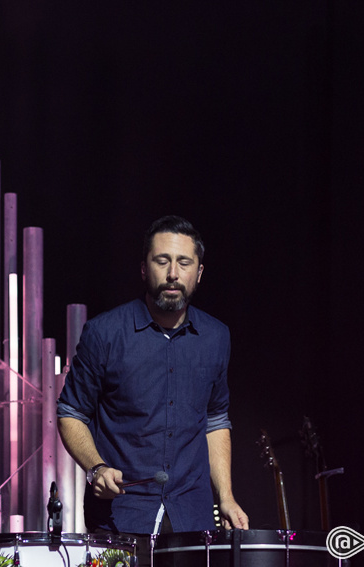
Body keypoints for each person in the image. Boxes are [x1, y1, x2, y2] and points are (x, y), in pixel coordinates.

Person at [57, 215, 248, 545]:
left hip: (192, 517)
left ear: (198, 273)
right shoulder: (104, 333)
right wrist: (96, 469)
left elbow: (215, 421)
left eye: (184, 262)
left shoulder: (216, 337)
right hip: (122, 516)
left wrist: (226, 497)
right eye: (162, 261)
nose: (173, 273)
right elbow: (71, 414)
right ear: (144, 268)